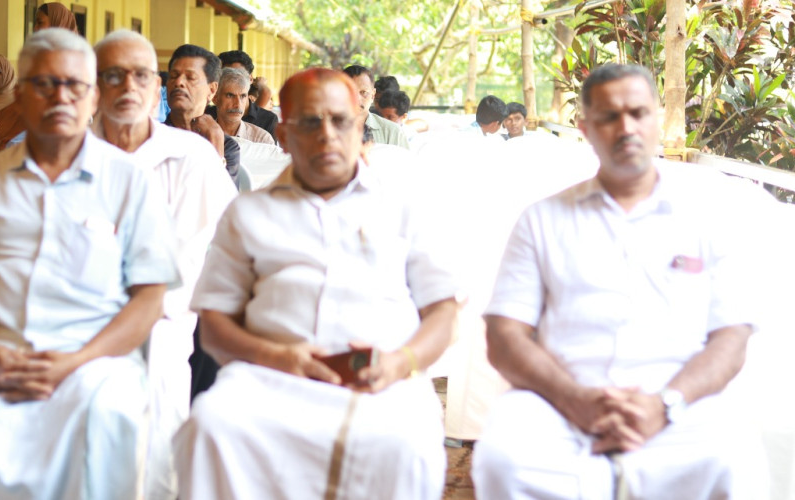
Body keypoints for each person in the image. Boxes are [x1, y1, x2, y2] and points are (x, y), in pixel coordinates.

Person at [0, 28, 179, 499]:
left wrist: (77, 361)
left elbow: (149, 300)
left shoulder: (128, 182)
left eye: (75, 85)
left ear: (93, 97)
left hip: (92, 364)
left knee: (113, 410)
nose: (61, 97)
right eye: (44, 84)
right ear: (20, 96)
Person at [472, 64, 766, 498]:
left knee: (735, 460)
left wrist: (665, 404)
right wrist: (575, 399)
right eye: (610, 116)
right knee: (505, 459)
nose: (626, 127)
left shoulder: (706, 218)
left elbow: (731, 337)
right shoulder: (542, 220)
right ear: (586, 129)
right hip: (558, 403)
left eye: (638, 113)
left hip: (678, 403)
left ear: (657, 120)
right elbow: (504, 336)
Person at [174, 68, 460, 499]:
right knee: (213, 424)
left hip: (382, 379)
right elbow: (214, 327)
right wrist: (279, 357)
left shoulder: (402, 205)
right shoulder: (248, 212)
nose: (327, 134)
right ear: (284, 137)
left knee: (407, 440)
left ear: (359, 129)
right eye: (310, 122)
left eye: (340, 121)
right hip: (271, 377)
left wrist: (401, 364)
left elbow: (443, 312)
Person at [93, 30, 237, 500]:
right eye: (113, 76)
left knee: (152, 462)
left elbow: (227, 236)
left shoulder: (194, 155)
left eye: (140, 76)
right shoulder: (68, 152)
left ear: (153, 88)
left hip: (162, 328)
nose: (127, 87)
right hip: (78, 325)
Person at [166, 44, 241, 187]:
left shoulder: (226, 146)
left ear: (212, 90)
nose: (179, 82)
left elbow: (222, 198)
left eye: (191, 78)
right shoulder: (152, 136)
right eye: (173, 76)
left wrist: (216, 147)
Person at [342, 64, 409, 148]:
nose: (357, 99)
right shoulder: (327, 130)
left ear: (373, 95)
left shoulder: (393, 132)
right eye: (350, 91)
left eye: (364, 92)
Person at [217, 50, 278, 138]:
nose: (233, 81)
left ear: (250, 79)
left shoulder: (268, 120)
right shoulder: (207, 116)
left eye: (239, 75)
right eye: (226, 76)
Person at [212, 67, 275, 144]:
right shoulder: (201, 136)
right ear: (215, 98)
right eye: (230, 95)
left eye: (243, 96)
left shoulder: (262, 140)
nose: (238, 104)